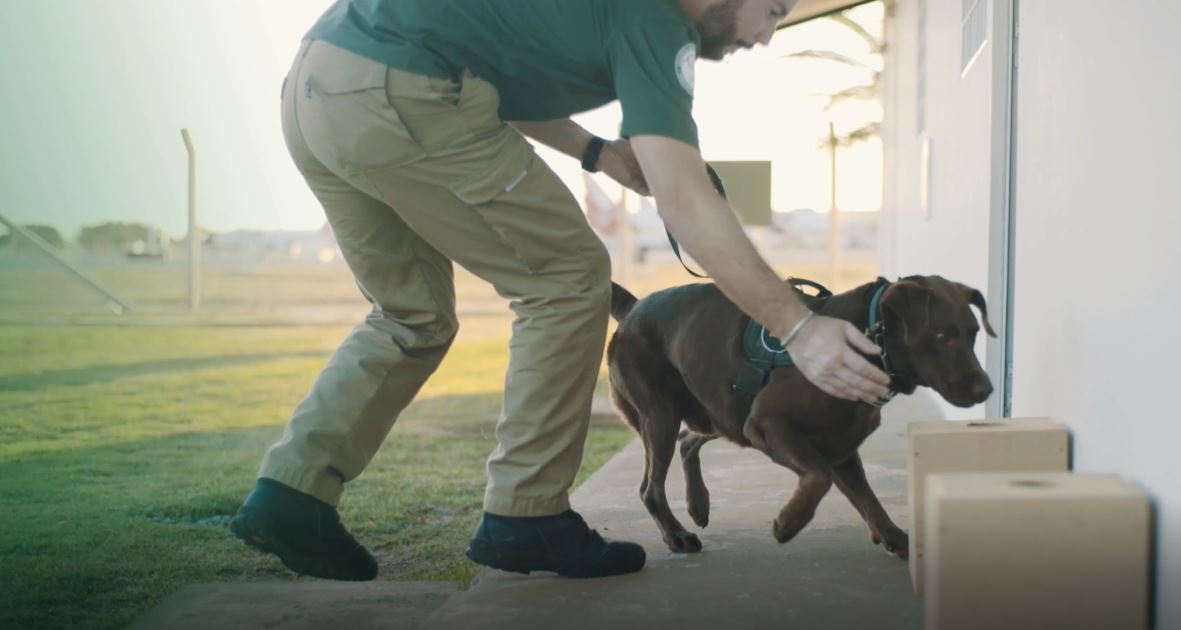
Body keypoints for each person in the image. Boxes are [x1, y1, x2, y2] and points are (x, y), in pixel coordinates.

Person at [230, 0, 891, 581]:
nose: (767, 35)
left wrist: (597, 154)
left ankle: (291, 493)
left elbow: (493, 73)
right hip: (400, 86)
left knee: (411, 317)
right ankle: (525, 514)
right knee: (569, 281)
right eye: (773, 10)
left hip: (318, 85)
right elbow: (685, 196)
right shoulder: (657, 22)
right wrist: (797, 328)